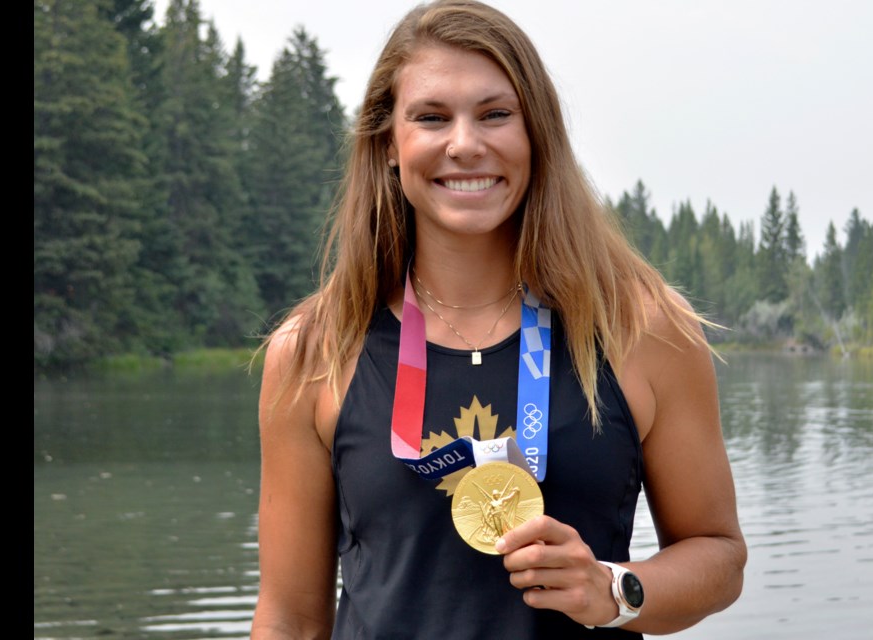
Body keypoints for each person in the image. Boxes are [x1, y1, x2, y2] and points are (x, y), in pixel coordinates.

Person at [250, 1, 747, 638]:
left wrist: (614, 589)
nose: (465, 144)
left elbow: (718, 553)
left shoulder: (643, 330)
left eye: (495, 115)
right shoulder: (314, 350)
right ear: (389, 148)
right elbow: (290, 618)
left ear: (536, 135)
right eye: (431, 118)